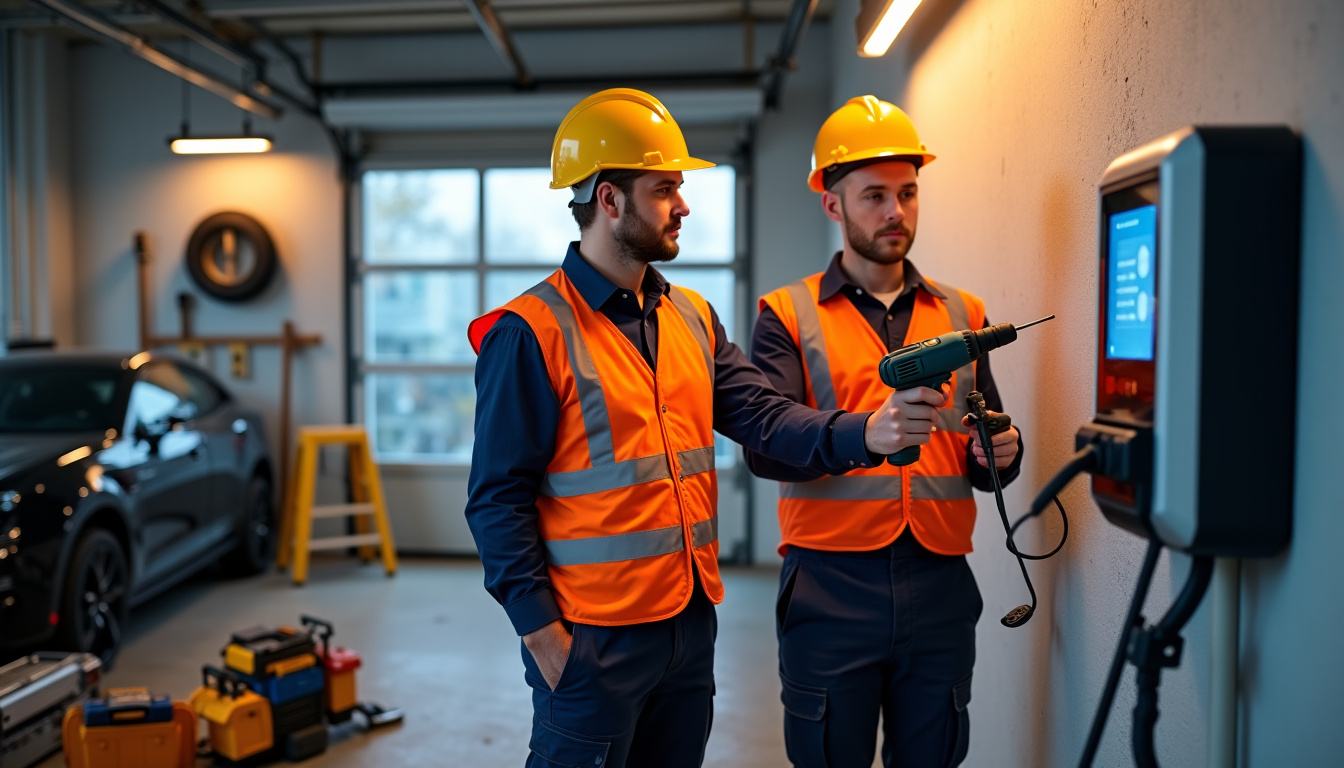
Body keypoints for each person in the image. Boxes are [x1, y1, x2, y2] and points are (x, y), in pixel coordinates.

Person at [464, 88, 922, 768]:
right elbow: (497, 497)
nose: (683, 205)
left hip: (687, 627)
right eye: (665, 189)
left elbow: (764, 416)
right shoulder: (531, 332)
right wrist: (543, 636)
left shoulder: (693, 317)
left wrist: (867, 434)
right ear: (609, 199)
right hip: (594, 641)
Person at [745, 95, 1026, 768]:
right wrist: (863, 434)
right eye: (873, 195)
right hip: (830, 586)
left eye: (907, 192)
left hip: (940, 584)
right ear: (833, 205)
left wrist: (1001, 457)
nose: (895, 212)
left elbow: (981, 456)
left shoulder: (964, 312)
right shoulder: (787, 314)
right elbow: (765, 447)